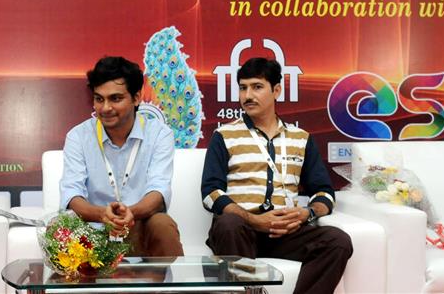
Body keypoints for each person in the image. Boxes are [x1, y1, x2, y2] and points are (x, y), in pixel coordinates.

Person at [201, 57, 353, 294]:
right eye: (243, 88)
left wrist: (306, 213)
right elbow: (211, 193)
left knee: (338, 241)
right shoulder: (224, 135)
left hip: (286, 233)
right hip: (242, 231)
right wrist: (254, 220)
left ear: (277, 90)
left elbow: (324, 193)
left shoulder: (300, 138)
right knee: (228, 223)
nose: (247, 95)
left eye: (257, 87)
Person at [59, 56, 184, 256]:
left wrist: (130, 213)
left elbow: (158, 191)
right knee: (60, 226)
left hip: (139, 226)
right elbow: (72, 194)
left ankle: (168, 287)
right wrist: (102, 215)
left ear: (136, 98)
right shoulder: (78, 136)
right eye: (99, 99)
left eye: (115, 99)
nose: (105, 108)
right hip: (93, 229)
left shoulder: (159, 133)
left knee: (162, 223)